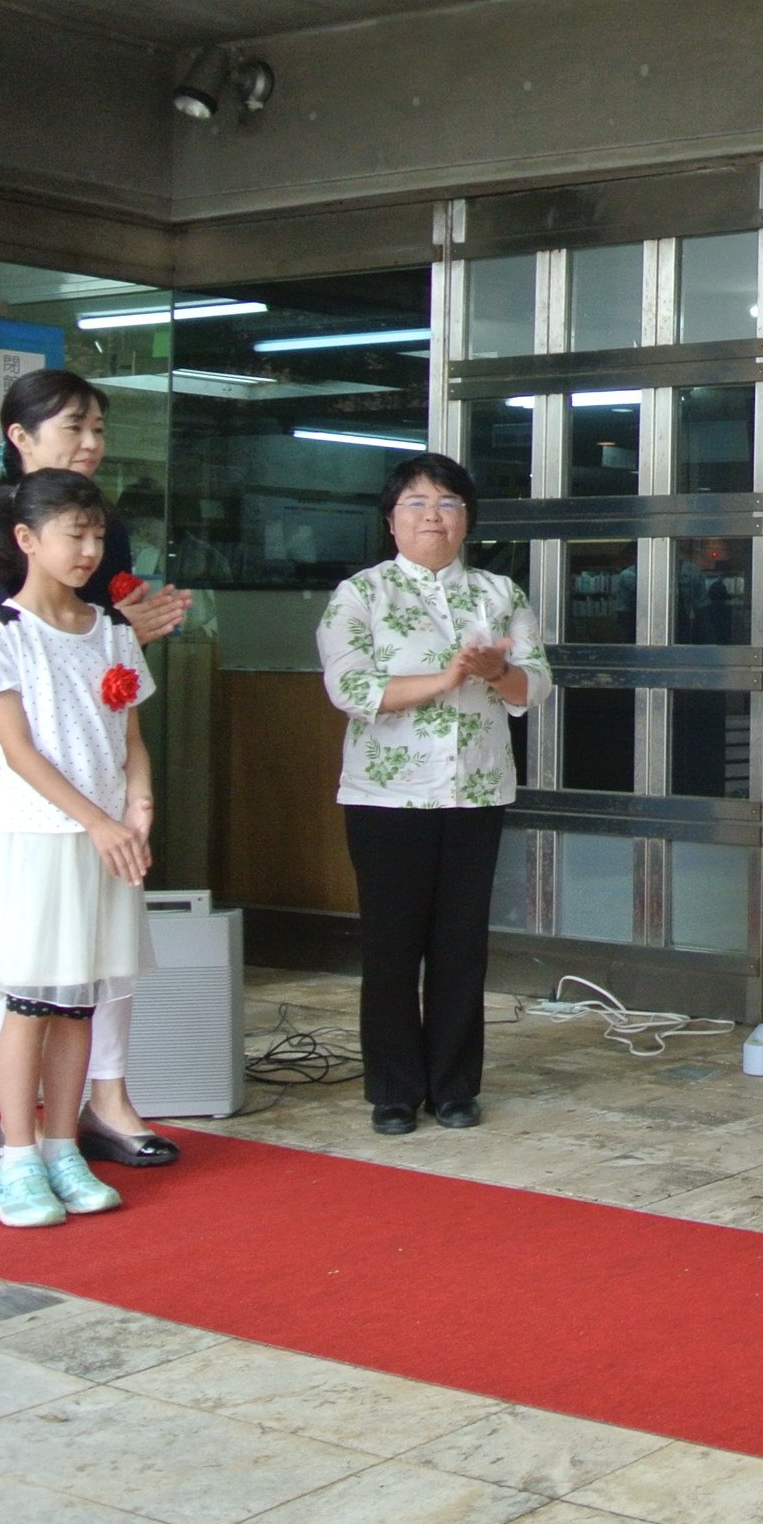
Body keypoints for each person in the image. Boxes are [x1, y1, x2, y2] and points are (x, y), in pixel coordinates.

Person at [0, 369, 193, 1165]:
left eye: (98, 427)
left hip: (100, 758)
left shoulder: (108, 528)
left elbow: (112, 625)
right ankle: (15, 1124)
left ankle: (102, 1099)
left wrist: (128, 630)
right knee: (26, 964)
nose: (91, 442)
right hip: (24, 769)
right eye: (72, 427)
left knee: (97, 959)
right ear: (19, 437)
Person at [315, 453, 547, 1137]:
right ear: (391, 521)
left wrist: (497, 670)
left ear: (467, 519)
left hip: (475, 791)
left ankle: (453, 1087)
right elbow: (351, 690)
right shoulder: (360, 595)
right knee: (392, 945)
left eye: (447, 504)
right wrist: (445, 680)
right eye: (415, 504)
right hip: (386, 797)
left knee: (460, 945)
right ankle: (392, 1089)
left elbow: (535, 688)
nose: (432, 517)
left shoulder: (500, 593)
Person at [0, 470, 153, 1228]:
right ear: (27, 539)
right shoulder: (0, 633)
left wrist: (137, 805)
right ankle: (16, 1156)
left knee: (79, 1003)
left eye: (97, 534)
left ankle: (66, 1146)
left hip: (101, 841)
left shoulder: (113, 629)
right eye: (76, 534)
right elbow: (22, 753)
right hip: (38, 838)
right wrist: (96, 822)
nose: (90, 549)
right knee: (30, 1002)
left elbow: (130, 736)